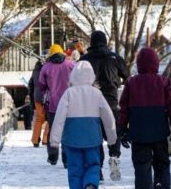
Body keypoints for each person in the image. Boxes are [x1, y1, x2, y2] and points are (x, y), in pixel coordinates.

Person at [118, 47, 171, 189]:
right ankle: (160, 185)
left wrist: (122, 128)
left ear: (138, 63)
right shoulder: (163, 82)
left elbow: (124, 108)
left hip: (139, 133)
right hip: (159, 132)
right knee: (162, 165)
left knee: (141, 168)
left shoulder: (131, 83)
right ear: (156, 63)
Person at [50, 61, 117, 189]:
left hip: (72, 138)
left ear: (73, 76)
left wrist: (54, 141)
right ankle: (91, 183)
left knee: (75, 169)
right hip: (92, 137)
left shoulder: (68, 93)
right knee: (93, 165)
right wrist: (112, 138)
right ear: (92, 76)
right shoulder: (97, 94)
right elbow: (108, 117)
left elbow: (59, 118)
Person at [79, 30, 129, 180]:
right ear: (105, 42)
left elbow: (75, 80)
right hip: (111, 103)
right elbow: (127, 76)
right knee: (114, 133)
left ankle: (97, 169)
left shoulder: (84, 60)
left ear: (91, 42)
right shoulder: (114, 58)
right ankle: (114, 155)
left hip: (91, 105)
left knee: (95, 138)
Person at [39, 44, 75, 166]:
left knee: (53, 130)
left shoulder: (46, 67)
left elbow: (41, 85)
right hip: (69, 103)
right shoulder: (70, 65)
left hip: (53, 104)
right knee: (67, 131)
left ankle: (53, 157)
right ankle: (67, 159)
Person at [29, 59, 50, 147]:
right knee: (50, 118)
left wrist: (32, 99)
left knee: (38, 119)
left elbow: (30, 85)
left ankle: (35, 140)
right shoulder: (48, 68)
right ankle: (46, 139)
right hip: (48, 97)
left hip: (37, 97)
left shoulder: (35, 71)